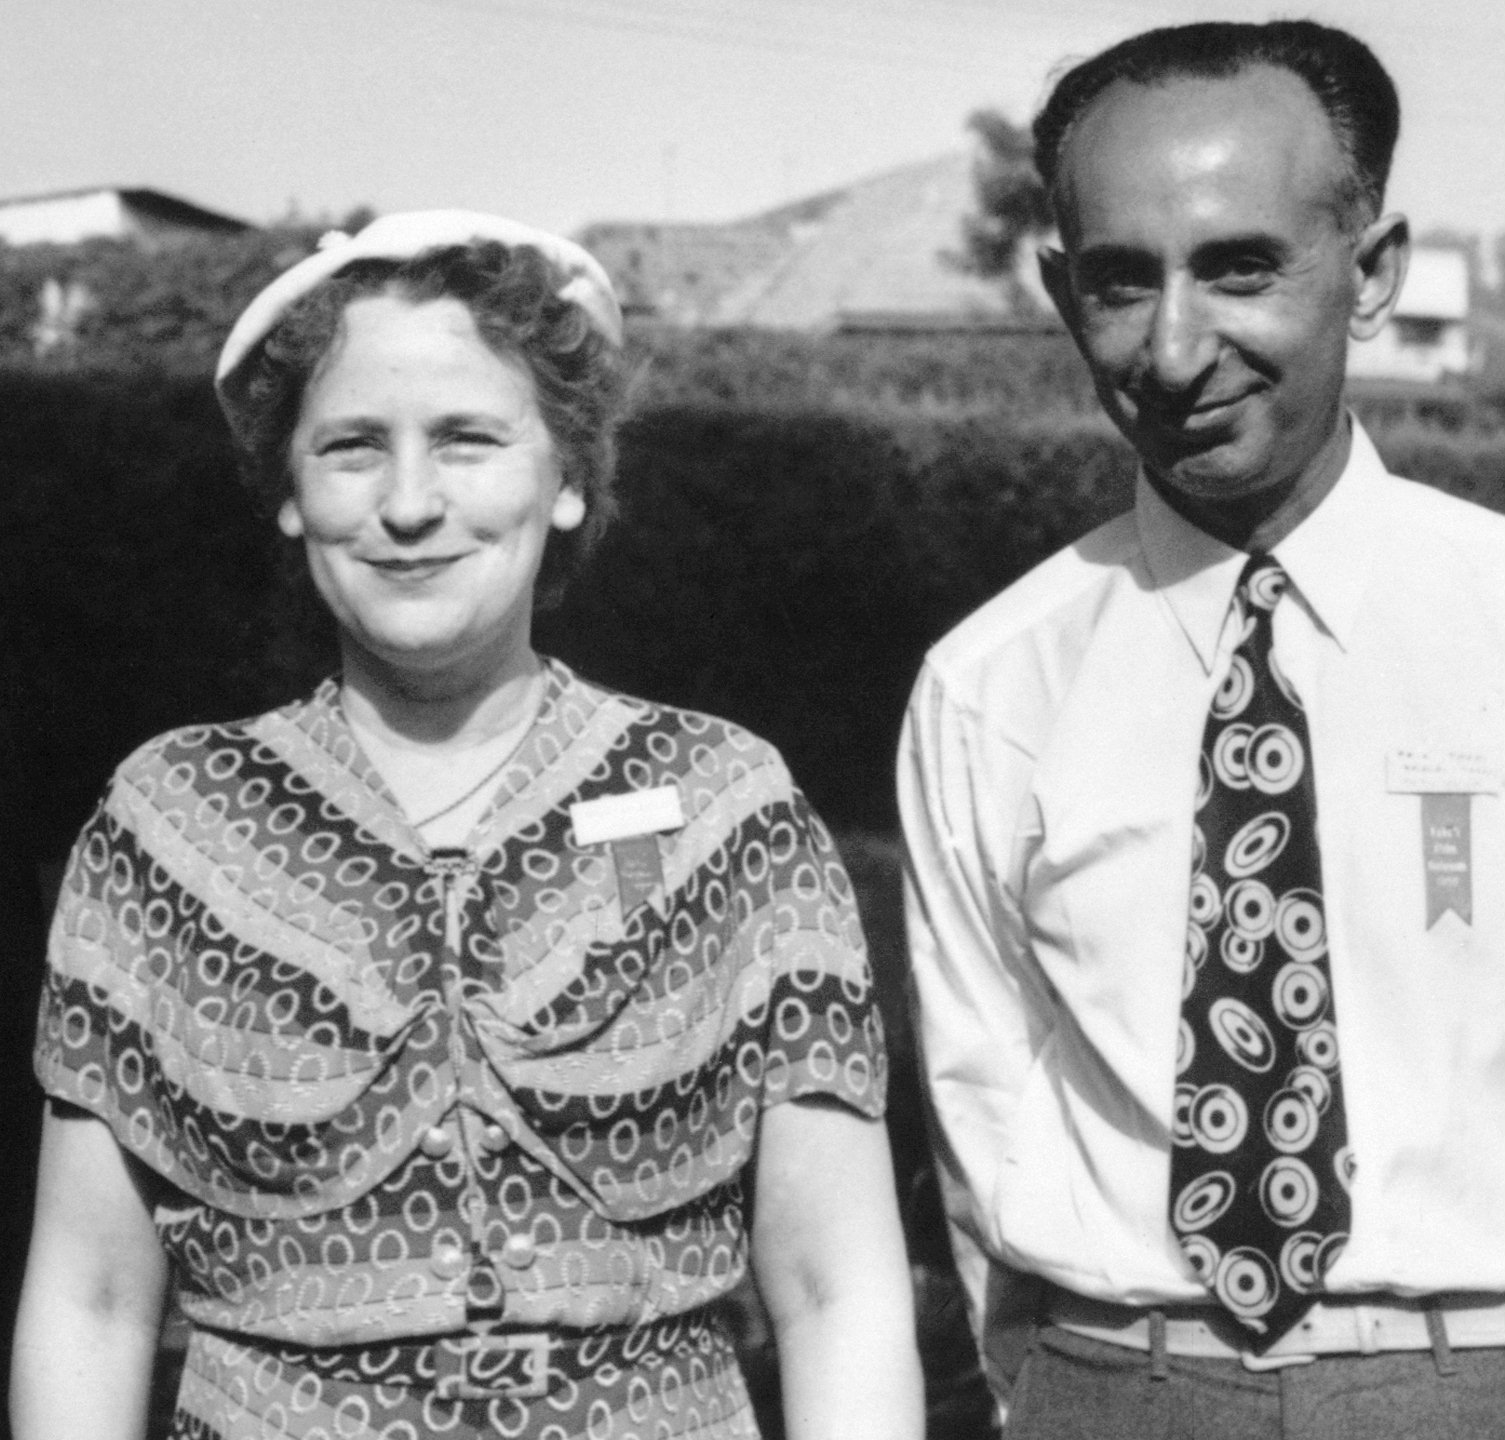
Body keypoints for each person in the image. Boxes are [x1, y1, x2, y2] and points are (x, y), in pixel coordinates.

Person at [12, 211, 923, 1440]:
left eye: (467, 440)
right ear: (288, 494)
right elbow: (93, 1298)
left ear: (567, 479)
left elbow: (832, 1290)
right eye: (348, 447)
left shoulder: (721, 805)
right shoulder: (169, 825)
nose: (406, 503)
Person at [899, 20, 1504, 1440]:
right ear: (1060, 295)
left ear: (1373, 273)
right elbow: (981, 1107)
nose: (1174, 350)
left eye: (1241, 267)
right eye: (1119, 282)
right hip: (1118, 1386)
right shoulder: (993, 685)